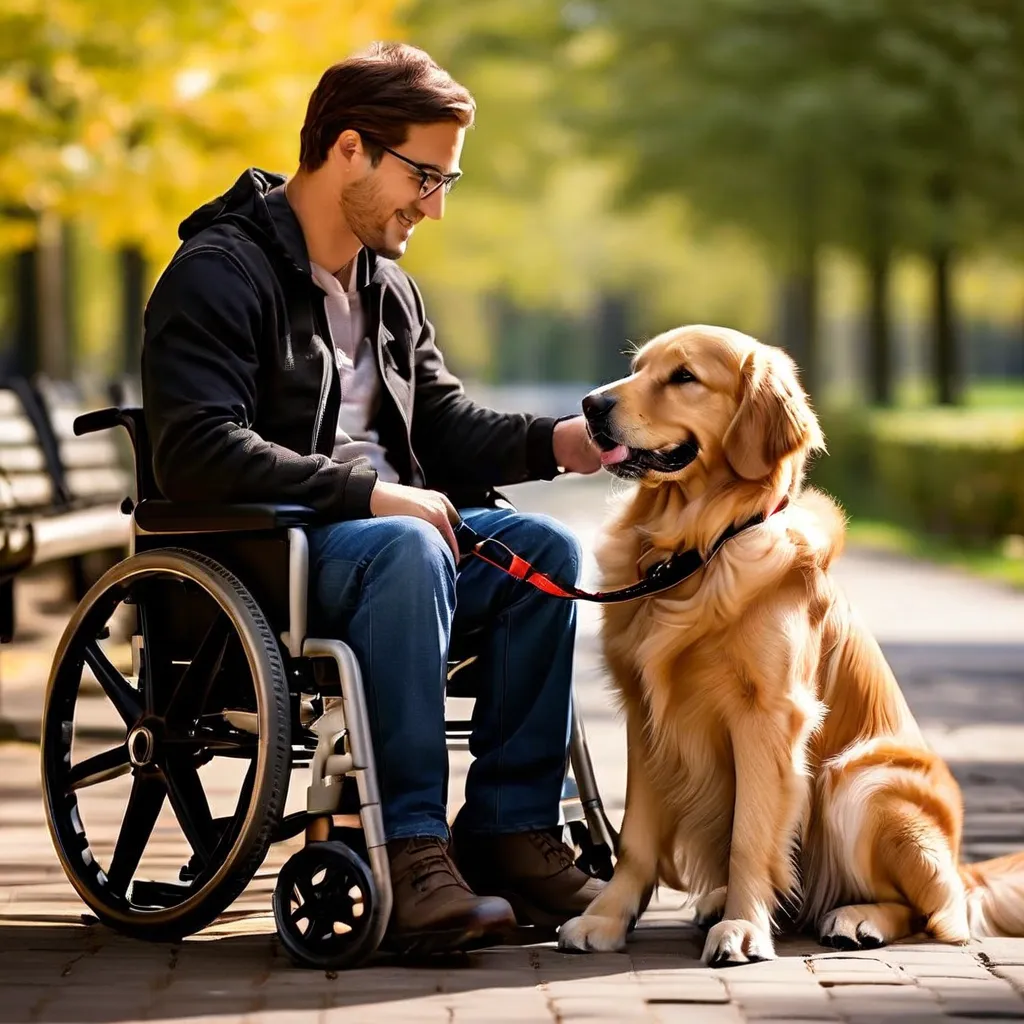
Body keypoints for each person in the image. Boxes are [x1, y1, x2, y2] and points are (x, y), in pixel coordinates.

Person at [142, 41, 605, 954]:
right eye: (423, 176)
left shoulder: (387, 290)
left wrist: (564, 444)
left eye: (448, 181)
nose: (434, 206)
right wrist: (370, 495)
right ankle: (413, 853)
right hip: (267, 562)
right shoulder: (218, 275)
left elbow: (445, 426)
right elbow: (197, 448)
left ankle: (512, 833)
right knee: (412, 544)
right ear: (348, 149)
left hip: (385, 552)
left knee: (541, 552)